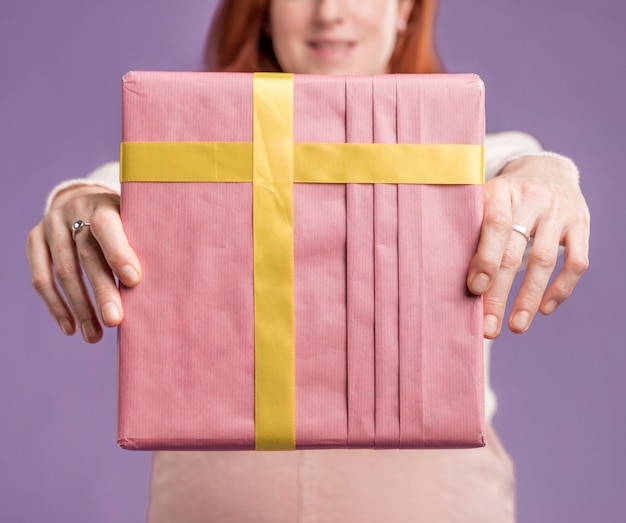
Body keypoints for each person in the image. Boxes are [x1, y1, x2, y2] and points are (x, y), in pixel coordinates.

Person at [26, 0, 590, 521]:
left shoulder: (475, 152)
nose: (329, 14)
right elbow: (104, 195)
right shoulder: (191, 147)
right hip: (212, 497)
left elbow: (522, 164)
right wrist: (74, 206)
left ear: (405, 11)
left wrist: (549, 174)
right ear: (263, 13)